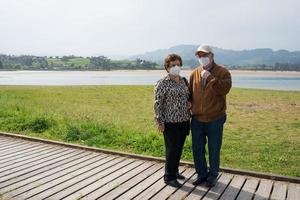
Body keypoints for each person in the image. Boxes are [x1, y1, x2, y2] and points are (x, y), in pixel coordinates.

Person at [189, 44, 232, 187]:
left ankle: (212, 176)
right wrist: (189, 103)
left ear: (212, 56)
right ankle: (201, 174)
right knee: (197, 148)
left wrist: (211, 78)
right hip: (197, 119)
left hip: (215, 118)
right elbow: (190, 94)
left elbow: (225, 89)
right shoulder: (194, 73)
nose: (202, 58)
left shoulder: (223, 72)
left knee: (214, 149)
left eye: (205, 55)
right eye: (199, 56)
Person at [154, 54, 191, 188]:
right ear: (167, 67)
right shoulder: (162, 83)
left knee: (179, 148)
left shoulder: (184, 81)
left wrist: (190, 103)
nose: (176, 67)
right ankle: (168, 177)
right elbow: (158, 104)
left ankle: (175, 171)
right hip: (170, 122)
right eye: (172, 65)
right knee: (171, 149)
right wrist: (160, 122)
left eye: (178, 64)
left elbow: (188, 97)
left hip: (184, 120)